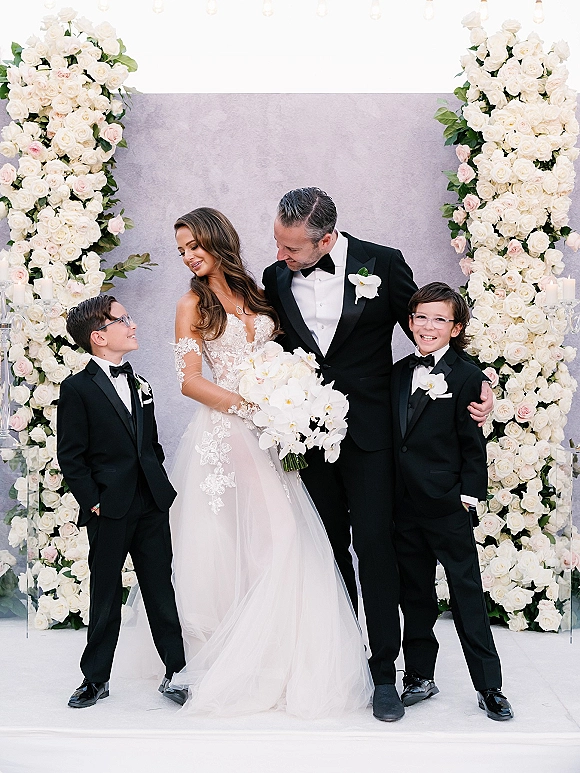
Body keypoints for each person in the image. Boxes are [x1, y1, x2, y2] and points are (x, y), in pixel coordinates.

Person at [262, 187, 494, 722]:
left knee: (375, 549)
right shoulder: (276, 278)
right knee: (327, 552)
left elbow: (432, 336)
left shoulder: (383, 264)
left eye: (292, 247)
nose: (280, 255)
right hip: (306, 439)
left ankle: (385, 671)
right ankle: (342, 663)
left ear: (326, 240)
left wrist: (482, 385)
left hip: (372, 439)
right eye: (278, 242)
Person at [166, 206, 372, 717]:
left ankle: (283, 654)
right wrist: (252, 406)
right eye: (182, 250)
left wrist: (288, 399)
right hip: (228, 431)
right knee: (255, 542)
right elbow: (189, 381)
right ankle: (247, 657)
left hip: (271, 434)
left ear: (219, 240)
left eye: (195, 245)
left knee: (281, 538)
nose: (189, 256)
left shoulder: (258, 293)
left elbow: (283, 356)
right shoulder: (191, 304)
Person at [57, 296, 187, 709]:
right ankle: (95, 678)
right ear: (99, 337)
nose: (132, 324)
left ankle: (176, 671)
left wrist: (156, 481)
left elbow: (150, 443)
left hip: (151, 502)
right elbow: (71, 455)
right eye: (122, 319)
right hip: (109, 506)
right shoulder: (76, 389)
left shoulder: (140, 382)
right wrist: (93, 501)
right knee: (106, 593)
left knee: (160, 588)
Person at [390, 282, 513, 721]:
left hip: (447, 504)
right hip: (404, 505)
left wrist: (467, 498)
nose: (429, 326)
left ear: (456, 328)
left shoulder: (468, 377)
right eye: (421, 317)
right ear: (410, 322)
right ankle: (419, 675)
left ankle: (489, 686)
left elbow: (472, 446)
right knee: (415, 594)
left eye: (440, 319)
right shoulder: (398, 372)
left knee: (466, 593)